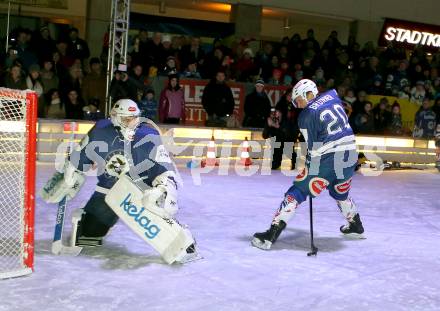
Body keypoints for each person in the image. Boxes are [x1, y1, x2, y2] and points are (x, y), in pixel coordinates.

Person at [40, 99, 196, 263]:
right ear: (114, 117)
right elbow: (81, 156)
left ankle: (179, 240)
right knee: (89, 235)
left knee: (166, 223)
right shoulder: (100, 130)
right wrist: (72, 169)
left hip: (142, 192)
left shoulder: (149, 135)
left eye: (134, 118)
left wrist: (163, 190)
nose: (132, 123)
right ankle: (89, 225)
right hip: (109, 190)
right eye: (127, 119)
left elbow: (165, 169)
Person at [252, 79, 364, 250]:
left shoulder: (306, 115)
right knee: (339, 191)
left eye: (298, 100)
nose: (297, 105)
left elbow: (314, 147)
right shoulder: (332, 96)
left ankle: (270, 236)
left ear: (306, 94)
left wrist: (310, 166)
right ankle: (356, 225)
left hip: (328, 157)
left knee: (296, 192)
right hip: (350, 155)